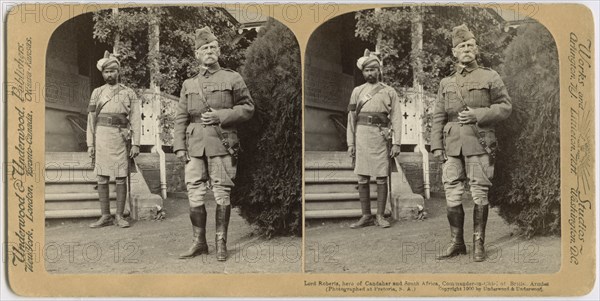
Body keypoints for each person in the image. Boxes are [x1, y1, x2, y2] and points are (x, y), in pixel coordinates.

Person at [431, 24, 512, 262]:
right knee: (453, 193)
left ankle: (478, 244)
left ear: (476, 49)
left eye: (469, 45)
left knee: (479, 193)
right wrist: (436, 145)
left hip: (479, 143)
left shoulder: (490, 76)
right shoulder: (446, 83)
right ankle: (457, 243)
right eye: (460, 46)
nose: (465, 49)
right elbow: (438, 116)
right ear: (454, 52)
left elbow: (506, 107)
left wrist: (478, 114)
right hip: (452, 146)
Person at [174, 26, 254, 261]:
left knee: (221, 193)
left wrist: (221, 115)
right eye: (204, 48)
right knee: (195, 193)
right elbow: (181, 117)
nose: (209, 51)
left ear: (218, 51)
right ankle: (199, 243)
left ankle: (221, 243)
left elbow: (248, 108)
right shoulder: (189, 84)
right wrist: (179, 146)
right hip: (195, 146)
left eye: (212, 47)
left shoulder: (232, 77)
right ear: (197, 54)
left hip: (222, 142)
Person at [346, 49, 402, 229]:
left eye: (373, 69)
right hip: (361, 136)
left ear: (379, 70)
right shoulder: (357, 91)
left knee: (381, 177)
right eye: (366, 70)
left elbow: (396, 118)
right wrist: (351, 143)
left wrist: (397, 143)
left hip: (380, 137)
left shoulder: (389, 92)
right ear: (362, 73)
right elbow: (351, 118)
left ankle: (380, 215)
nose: (370, 73)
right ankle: (366, 215)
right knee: (362, 177)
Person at [87, 51, 141, 229]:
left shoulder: (128, 93)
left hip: (120, 137)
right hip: (101, 137)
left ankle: (119, 215)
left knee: (120, 177)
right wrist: (90, 144)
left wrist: (136, 144)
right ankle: (105, 215)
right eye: (106, 72)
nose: (109, 75)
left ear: (118, 72)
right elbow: (91, 119)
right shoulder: (97, 92)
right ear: (102, 74)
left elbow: (135, 119)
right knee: (102, 177)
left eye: (112, 71)